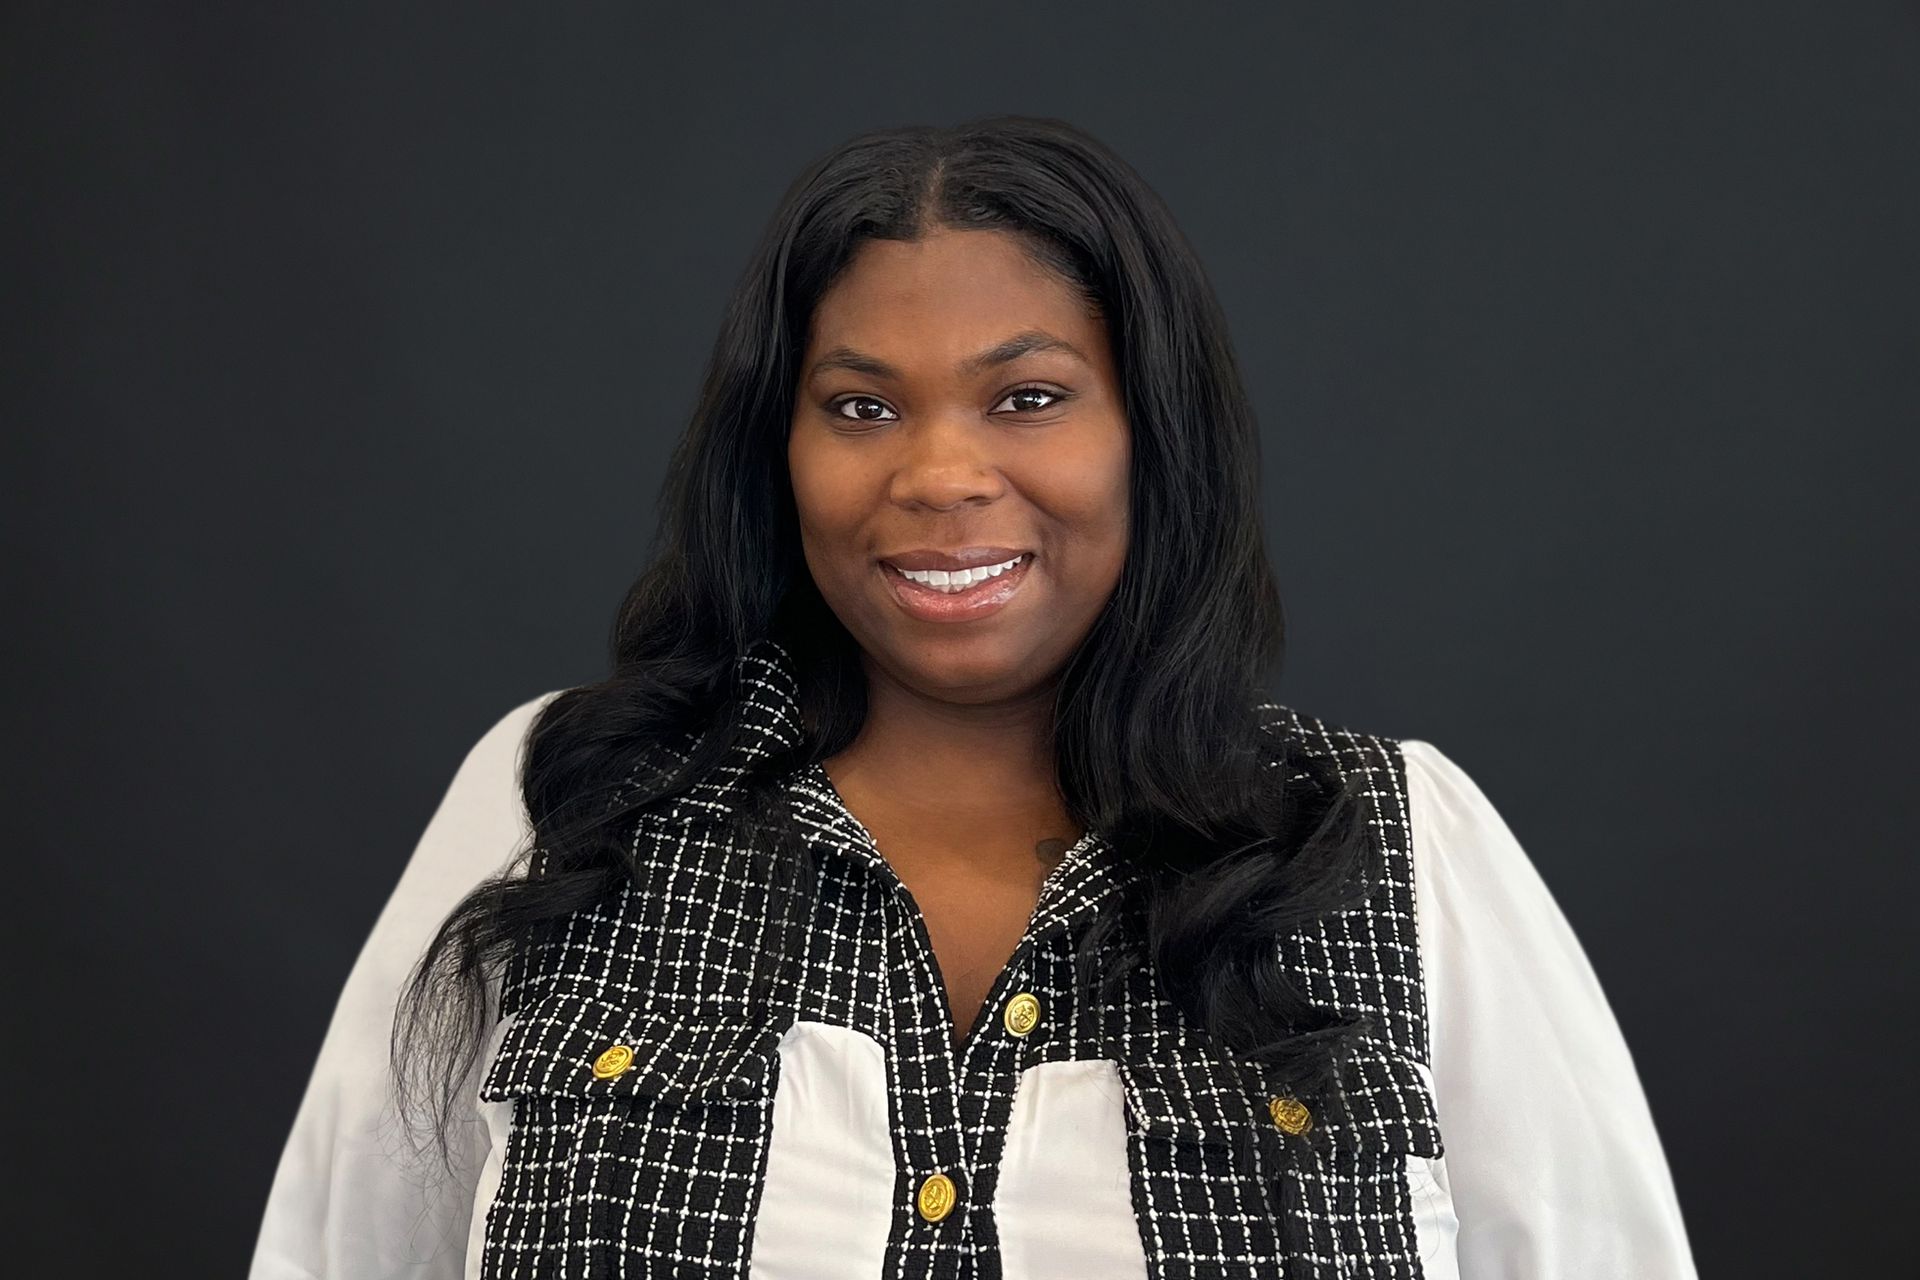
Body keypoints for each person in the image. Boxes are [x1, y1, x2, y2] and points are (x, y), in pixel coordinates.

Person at [250, 115, 1698, 1279]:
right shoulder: (558, 807)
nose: (937, 476)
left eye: (1029, 397)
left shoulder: (1392, 846)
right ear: (781, 450)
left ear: (1151, 436)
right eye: (861, 406)